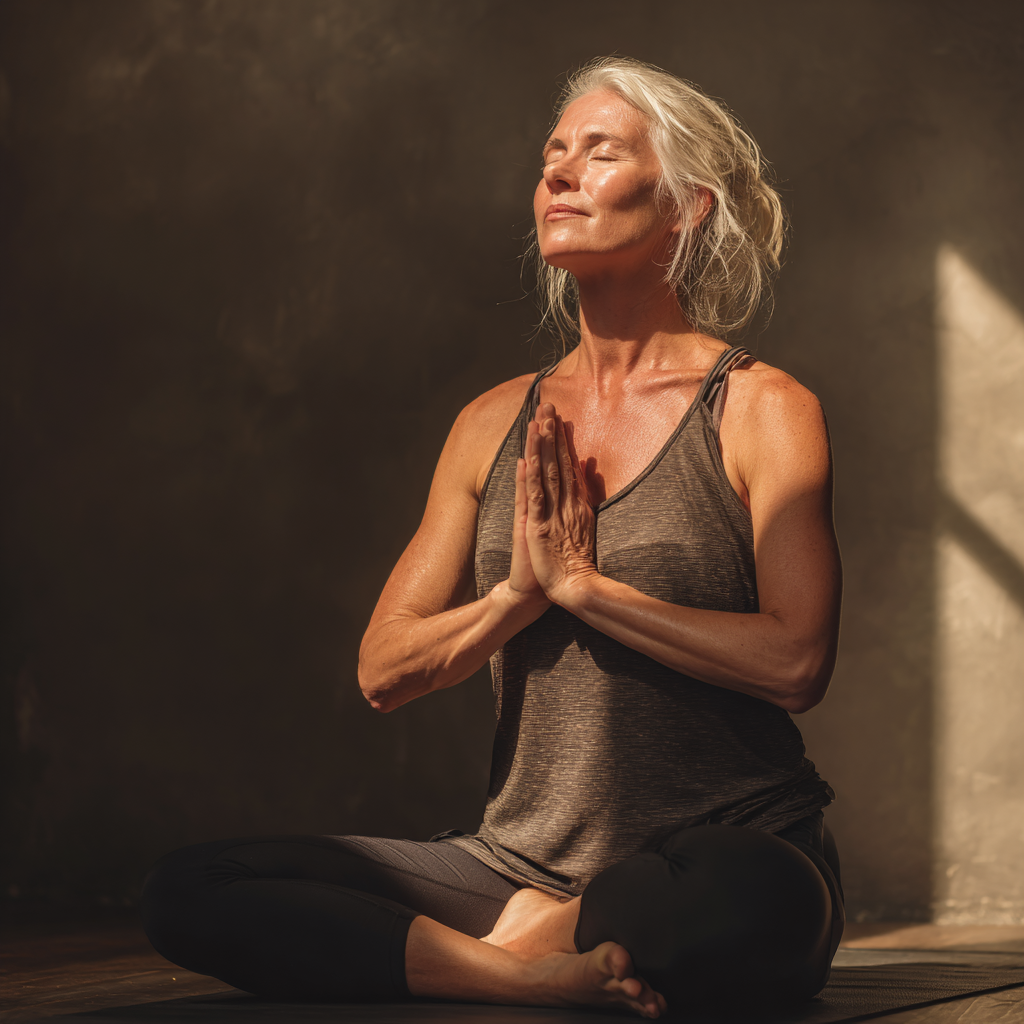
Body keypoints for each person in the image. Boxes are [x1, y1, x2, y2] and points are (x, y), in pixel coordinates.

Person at [142, 57, 844, 1019]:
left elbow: (797, 660)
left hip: (724, 845)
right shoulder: (489, 424)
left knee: (727, 898)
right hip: (513, 865)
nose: (559, 172)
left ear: (685, 207)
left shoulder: (762, 408)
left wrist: (588, 589)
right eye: (553, 153)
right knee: (191, 888)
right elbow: (385, 669)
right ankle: (523, 967)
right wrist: (520, 593)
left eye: (599, 153)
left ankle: (542, 943)